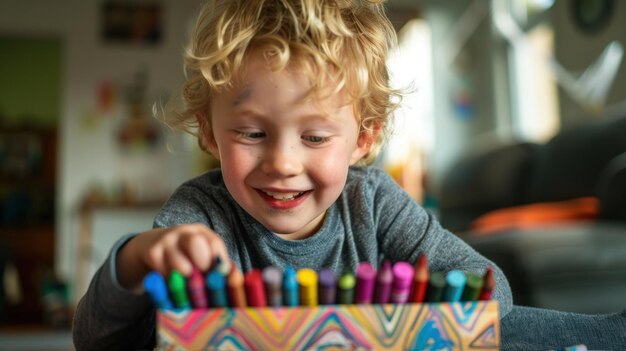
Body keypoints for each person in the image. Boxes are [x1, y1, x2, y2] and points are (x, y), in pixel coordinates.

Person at [72, 1, 625, 350]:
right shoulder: (198, 217)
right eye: (252, 134)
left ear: (363, 139)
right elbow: (98, 340)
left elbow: (491, 295)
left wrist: (420, 323)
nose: (283, 163)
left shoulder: (375, 201)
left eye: (314, 137)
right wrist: (139, 256)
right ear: (210, 133)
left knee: (524, 328)